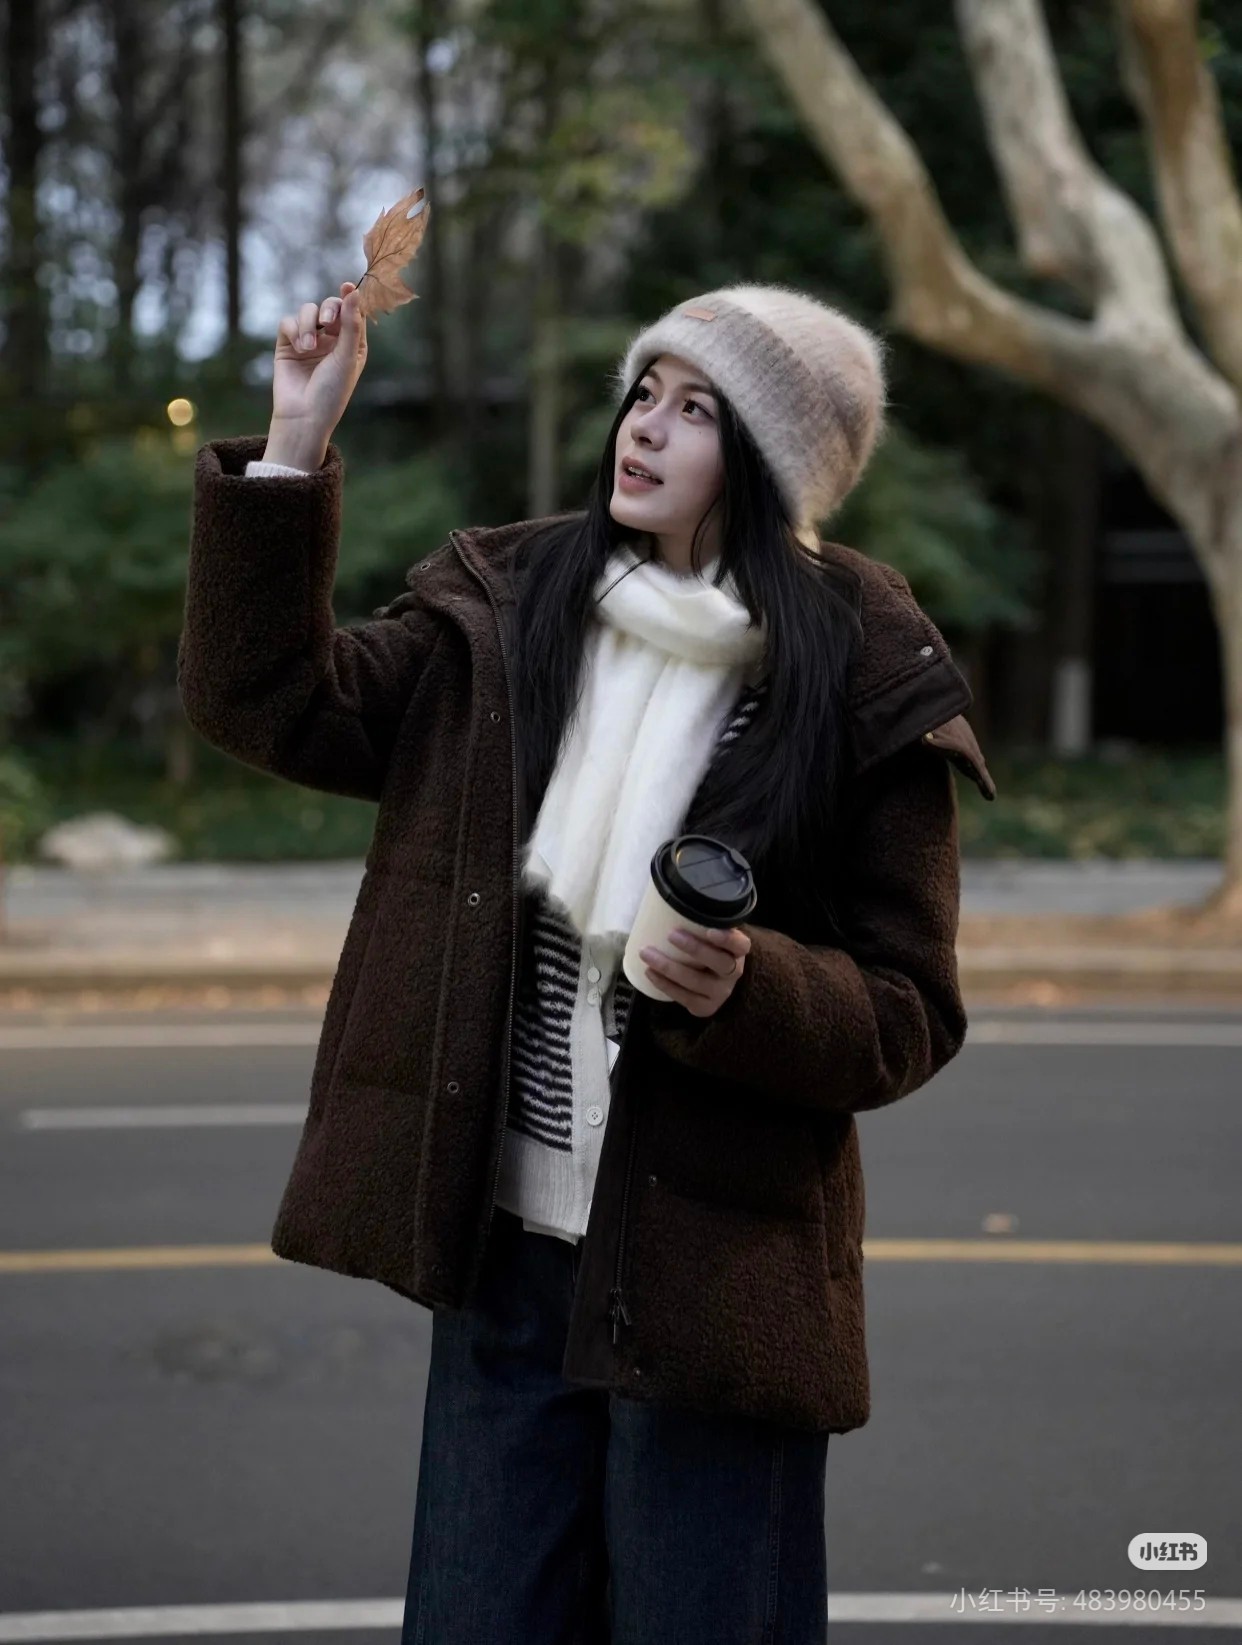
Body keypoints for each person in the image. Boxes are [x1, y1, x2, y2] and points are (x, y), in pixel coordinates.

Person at [179, 277, 996, 1644]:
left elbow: (908, 1008)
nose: (644, 429)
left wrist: (751, 987)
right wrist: (296, 440)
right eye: (643, 394)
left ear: (774, 456)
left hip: (714, 1278)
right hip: (505, 1261)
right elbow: (266, 700)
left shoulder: (857, 664)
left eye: (697, 410)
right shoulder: (515, 607)